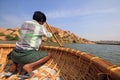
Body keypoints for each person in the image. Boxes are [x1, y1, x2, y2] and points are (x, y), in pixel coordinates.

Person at [7, 11, 53, 78]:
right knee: (49, 55)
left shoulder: (24, 23)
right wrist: (45, 27)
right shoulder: (40, 27)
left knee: (16, 51)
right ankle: (29, 66)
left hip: (14, 54)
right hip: (25, 55)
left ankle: (14, 65)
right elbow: (49, 36)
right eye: (43, 22)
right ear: (41, 20)